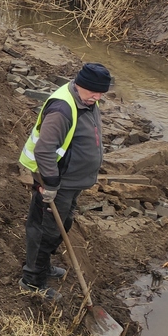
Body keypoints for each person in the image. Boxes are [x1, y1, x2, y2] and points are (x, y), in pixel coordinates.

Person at [17, 63, 111, 300]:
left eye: (101, 93)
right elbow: (44, 150)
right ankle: (32, 280)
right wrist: (49, 184)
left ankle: (44, 265)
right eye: (93, 92)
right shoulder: (62, 109)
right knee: (44, 230)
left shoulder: (87, 100)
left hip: (73, 181)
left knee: (62, 225)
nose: (97, 98)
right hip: (57, 182)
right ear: (80, 84)